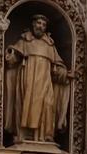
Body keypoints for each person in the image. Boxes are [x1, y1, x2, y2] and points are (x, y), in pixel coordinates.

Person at [5, 14, 71, 143]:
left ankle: (44, 136)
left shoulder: (50, 45)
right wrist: (11, 54)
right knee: (25, 104)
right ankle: (24, 135)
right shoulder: (24, 41)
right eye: (39, 23)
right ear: (33, 24)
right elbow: (12, 61)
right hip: (28, 79)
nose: (40, 26)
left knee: (48, 105)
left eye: (43, 24)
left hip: (45, 82)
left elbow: (58, 66)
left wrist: (65, 73)